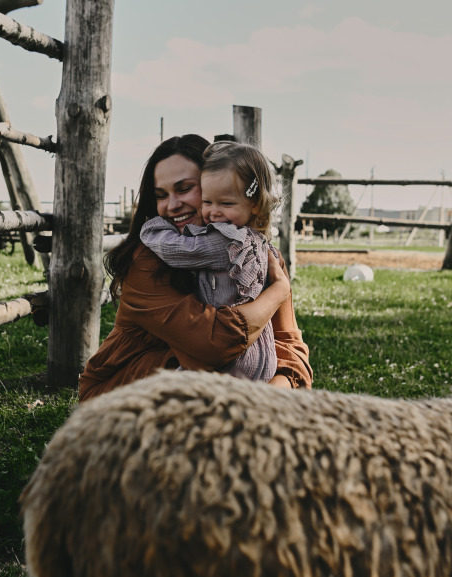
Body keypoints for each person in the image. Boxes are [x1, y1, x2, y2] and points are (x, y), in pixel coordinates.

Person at [78, 134, 312, 401]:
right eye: (161, 195)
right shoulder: (146, 260)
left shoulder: (256, 253)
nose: (172, 205)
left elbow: (292, 351)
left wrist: (265, 398)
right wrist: (278, 292)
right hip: (125, 394)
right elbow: (213, 345)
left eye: (185, 188)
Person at [138, 140, 279, 383]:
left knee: (178, 386)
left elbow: (183, 249)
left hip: (237, 360)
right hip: (258, 354)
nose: (214, 213)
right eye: (208, 202)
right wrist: (280, 291)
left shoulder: (229, 241)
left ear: (254, 204)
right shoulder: (259, 242)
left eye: (226, 203)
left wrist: (152, 229)